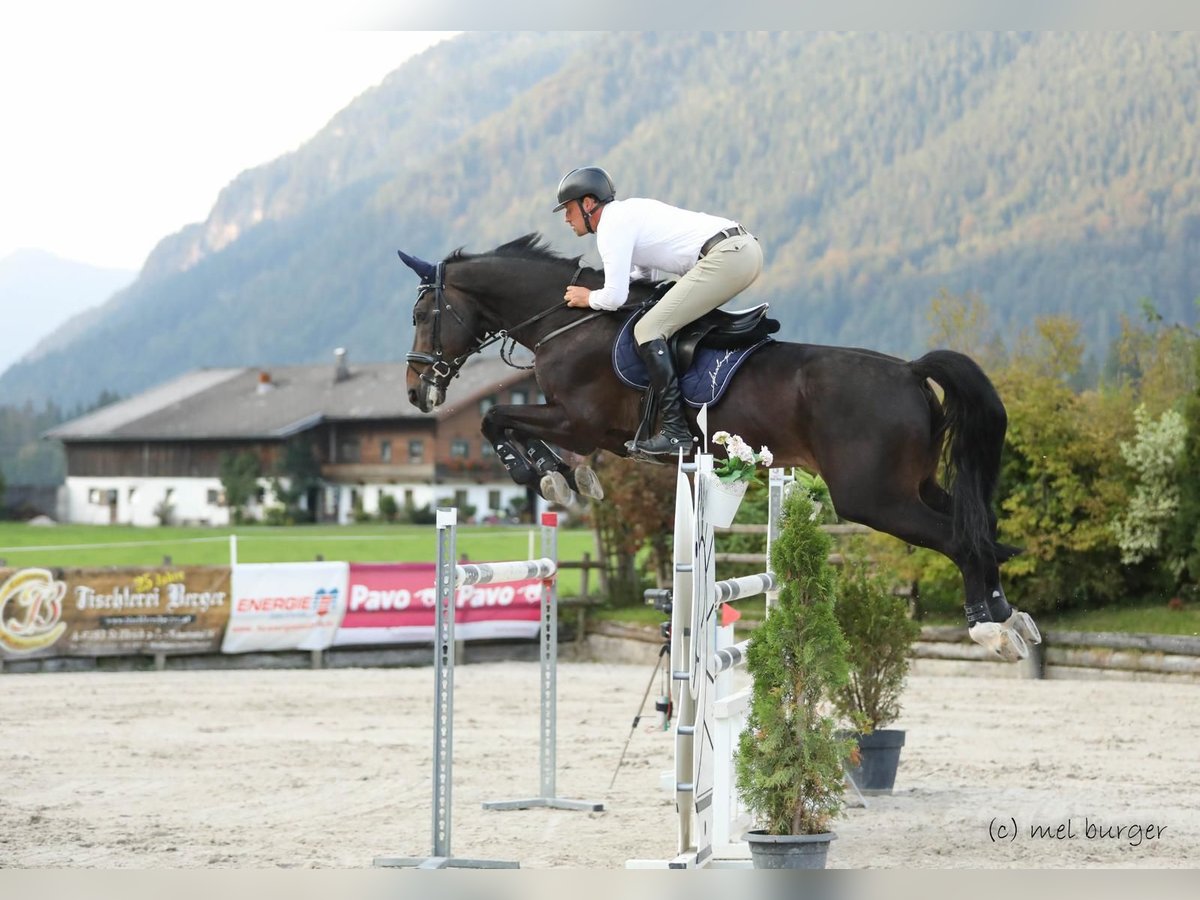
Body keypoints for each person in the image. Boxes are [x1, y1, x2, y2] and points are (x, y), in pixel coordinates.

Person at [556, 165, 763, 456]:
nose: (566, 218)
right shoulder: (628, 214)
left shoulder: (611, 226)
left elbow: (615, 297)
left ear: (588, 203)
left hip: (727, 256)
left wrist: (588, 297)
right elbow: (642, 279)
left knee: (649, 329)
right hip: (740, 251)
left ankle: (676, 433)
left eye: (568, 209)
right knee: (659, 321)